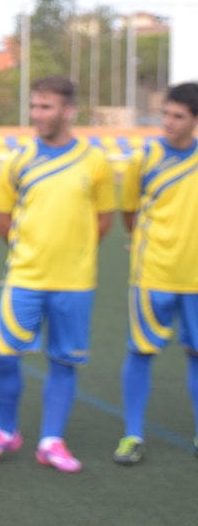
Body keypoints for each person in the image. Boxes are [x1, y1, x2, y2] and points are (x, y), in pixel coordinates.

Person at [0, 75, 115, 474]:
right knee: (4, 356)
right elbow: (2, 219)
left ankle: (51, 440)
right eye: (34, 106)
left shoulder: (95, 161)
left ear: (68, 111)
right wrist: (30, 252)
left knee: (64, 361)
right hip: (25, 278)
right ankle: (5, 431)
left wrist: (73, 253)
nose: (37, 114)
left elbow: (103, 220)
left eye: (46, 106)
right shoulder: (18, 161)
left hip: (75, 282)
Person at [113, 82, 198, 465]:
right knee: (141, 351)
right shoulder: (144, 159)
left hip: (195, 278)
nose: (168, 122)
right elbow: (129, 212)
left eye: (178, 116)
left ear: (195, 120)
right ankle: (132, 434)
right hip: (152, 274)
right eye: (166, 113)